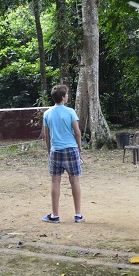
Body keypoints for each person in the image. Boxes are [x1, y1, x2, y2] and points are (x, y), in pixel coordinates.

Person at [42, 85, 83, 223]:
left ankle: (55, 215)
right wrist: (79, 147)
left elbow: (47, 135)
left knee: (55, 182)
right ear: (63, 97)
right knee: (75, 180)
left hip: (55, 150)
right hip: (71, 149)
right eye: (67, 95)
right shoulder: (70, 112)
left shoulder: (47, 113)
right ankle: (78, 214)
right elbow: (77, 132)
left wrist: (49, 150)